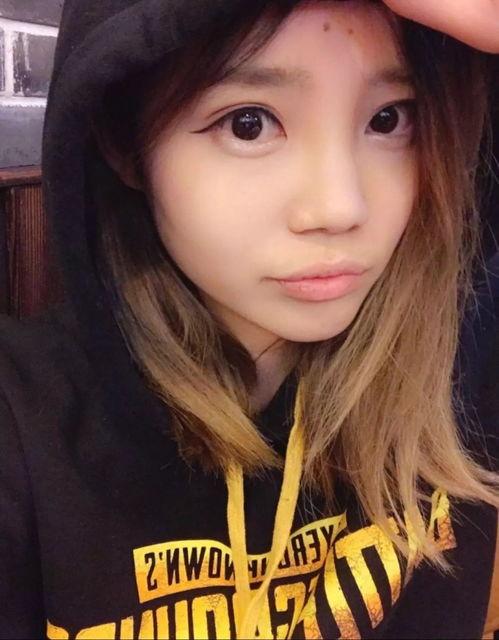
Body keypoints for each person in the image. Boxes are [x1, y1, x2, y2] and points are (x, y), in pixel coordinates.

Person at [0, 0, 498, 638]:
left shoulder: (463, 357)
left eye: (387, 119)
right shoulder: (22, 427)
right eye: (249, 124)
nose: (340, 207)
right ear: (124, 144)